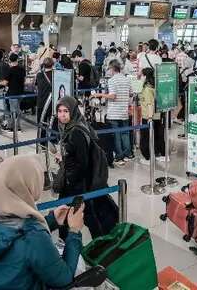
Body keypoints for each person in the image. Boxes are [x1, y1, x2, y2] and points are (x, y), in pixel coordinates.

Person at [0, 154, 85, 290]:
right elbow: (63, 278)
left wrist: (52, 220)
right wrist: (74, 231)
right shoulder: (33, 236)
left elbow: (12, 234)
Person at [55, 96, 111, 239]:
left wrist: (65, 163)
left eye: (66, 111)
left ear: (73, 111)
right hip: (76, 180)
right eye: (60, 111)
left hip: (76, 183)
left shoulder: (76, 132)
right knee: (86, 215)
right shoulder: (73, 127)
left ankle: (67, 244)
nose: (62, 115)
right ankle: (99, 243)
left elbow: (83, 162)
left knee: (80, 215)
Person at [92, 60, 132, 165]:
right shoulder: (127, 79)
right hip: (124, 111)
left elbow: (113, 96)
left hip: (114, 112)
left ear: (113, 69)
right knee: (125, 133)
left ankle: (119, 156)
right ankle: (127, 154)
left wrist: (100, 95)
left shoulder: (112, 80)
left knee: (116, 134)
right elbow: (131, 93)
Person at [138, 68, 166, 164]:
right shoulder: (155, 86)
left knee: (145, 138)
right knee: (158, 135)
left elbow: (150, 104)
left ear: (145, 76)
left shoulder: (147, 89)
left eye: (141, 75)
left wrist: (149, 117)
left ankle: (148, 157)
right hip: (157, 115)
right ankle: (160, 154)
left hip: (148, 116)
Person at [3, 53, 26, 131]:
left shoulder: (10, 70)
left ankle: (14, 127)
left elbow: (5, 83)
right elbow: (24, 80)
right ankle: (17, 125)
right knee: (18, 109)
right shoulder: (22, 69)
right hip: (21, 92)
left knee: (13, 110)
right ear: (17, 59)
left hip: (12, 92)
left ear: (9, 60)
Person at [35, 58, 54, 137]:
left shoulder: (39, 75)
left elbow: (36, 86)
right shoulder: (55, 74)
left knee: (41, 123)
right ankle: (53, 140)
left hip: (41, 102)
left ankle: (42, 143)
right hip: (52, 102)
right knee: (53, 122)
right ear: (52, 64)